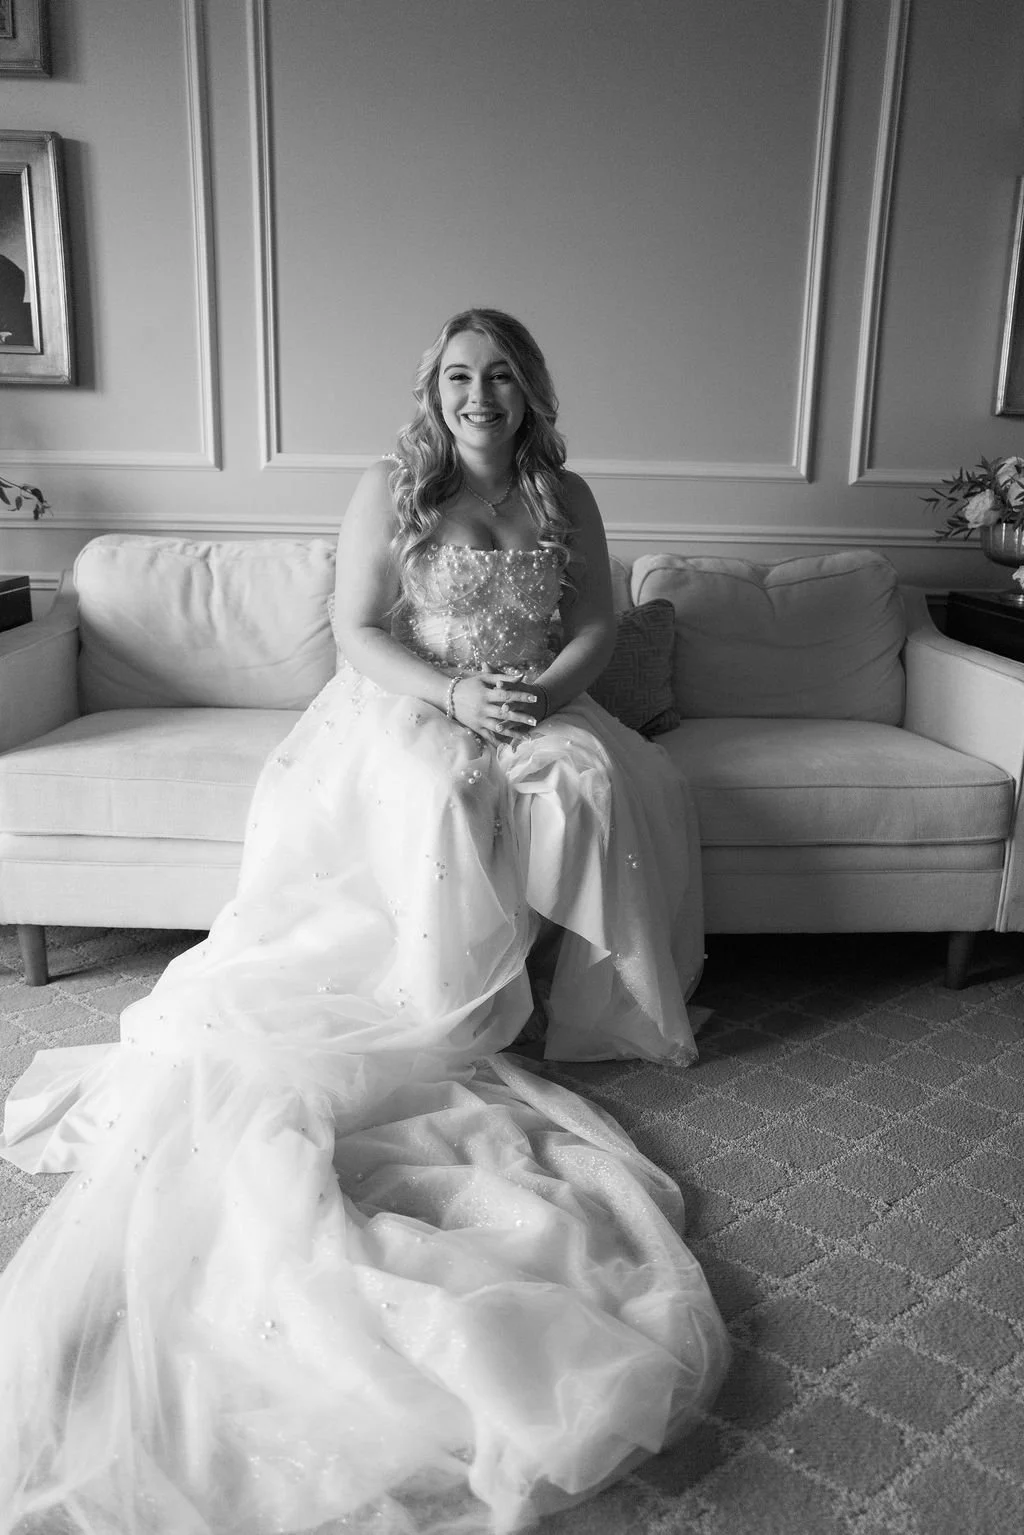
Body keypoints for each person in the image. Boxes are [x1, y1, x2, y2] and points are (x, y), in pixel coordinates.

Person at [0, 309, 728, 1535]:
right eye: (459, 376)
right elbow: (356, 631)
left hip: (535, 699)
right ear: (434, 391)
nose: (479, 395)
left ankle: (600, 1006)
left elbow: (596, 626)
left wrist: (536, 697)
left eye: (500, 376)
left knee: (594, 779)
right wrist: (456, 697)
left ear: (530, 391)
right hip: (410, 701)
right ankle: (444, 1000)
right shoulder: (393, 487)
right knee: (441, 792)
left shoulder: (566, 494)